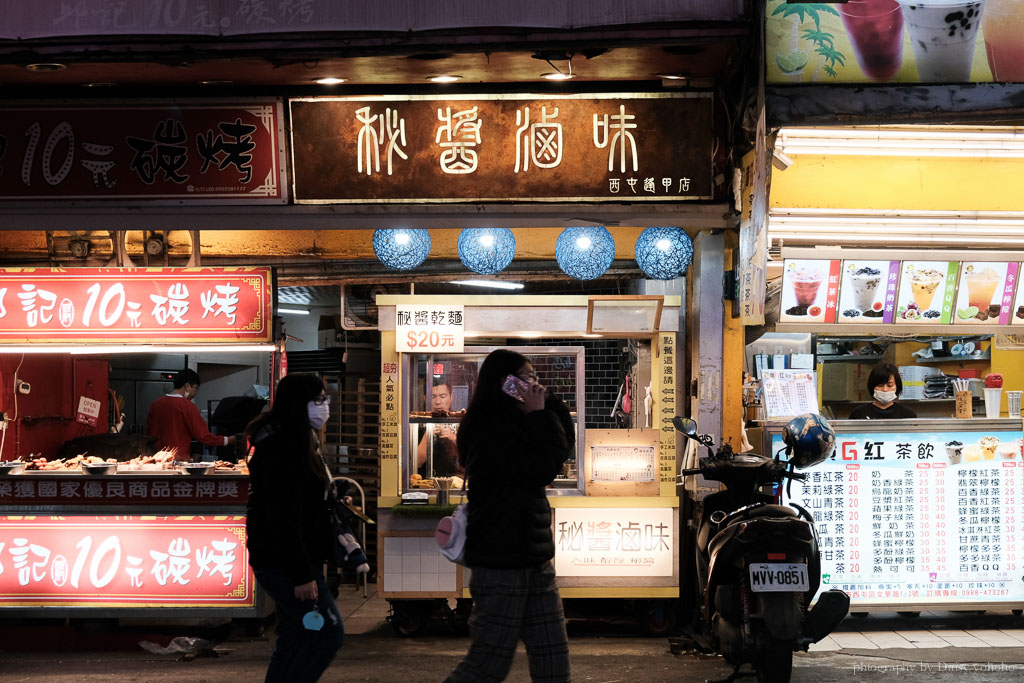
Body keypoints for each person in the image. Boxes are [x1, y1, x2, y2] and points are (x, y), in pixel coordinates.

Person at [445, 349, 573, 683]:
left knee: (553, 664)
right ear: (506, 384)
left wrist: (545, 407)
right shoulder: (488, 431)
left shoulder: (521, 420)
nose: (534, 384)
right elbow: (541, 468)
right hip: (502, 565)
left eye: (534, 377)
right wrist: (538, 414)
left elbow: (560, 448)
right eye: (527, 377)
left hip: (535, 562)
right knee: (486, 667)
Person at [245, 373, 343, 683]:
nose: (323, 406)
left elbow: (300, 501)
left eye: (324, 400)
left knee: (294, 639)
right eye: (317, 400)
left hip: (292, 560)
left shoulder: (297, 438)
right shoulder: (280, 447)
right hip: (286, 565)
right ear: (297, 404)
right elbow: (283, 516)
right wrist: (301, 575)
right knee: (327, 634)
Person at [146, 368, 235, 461]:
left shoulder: (155, 405)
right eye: (195, 388)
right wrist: (228, 440)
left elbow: (150, 434)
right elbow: (203, 436)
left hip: (156, 460)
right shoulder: (187, 406)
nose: (195, 393)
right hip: (178, 460)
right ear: (187, 386)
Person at [416, 379, 460, 476]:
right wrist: (429, 433)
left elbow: (472, 456)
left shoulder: (459, 421)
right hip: (426, 481)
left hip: (456, 479)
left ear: (451, 397)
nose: (438, 402)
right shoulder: (418, 423)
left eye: (443, 396)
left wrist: (453, 437)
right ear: (425, 398)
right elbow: (417, 462)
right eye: (433, 397)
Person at [848, 363, 917, 420]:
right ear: (872, 386)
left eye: (890, 385)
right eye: (880, 385)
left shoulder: (907, 414)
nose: (885, 389)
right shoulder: (859, 413)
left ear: (897, 386)